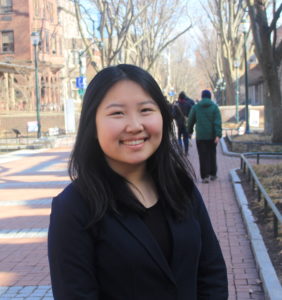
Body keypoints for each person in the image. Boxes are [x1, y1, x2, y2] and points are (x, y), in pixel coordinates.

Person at [48, 65, 228, 300]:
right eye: (117, 113)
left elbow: (212, 273)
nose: (134, 126)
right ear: (92, 126)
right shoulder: (73, 207)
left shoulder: (180, 187)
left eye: (145, 110)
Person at [187, 90, 222, 183]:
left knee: (202, 156)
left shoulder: (196, 107)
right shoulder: (215, 108)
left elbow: (190, 120)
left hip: (200, 137)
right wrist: (218, 135)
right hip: (212, 136)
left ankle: (205, 176)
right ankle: (213, 174)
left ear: (202, 97)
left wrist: (189, 131)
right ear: (210, 97)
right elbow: (217, 122)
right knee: (212, 154)